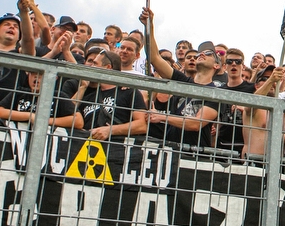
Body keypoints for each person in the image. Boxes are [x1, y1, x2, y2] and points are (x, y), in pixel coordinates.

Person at [138, 10, 220, 149]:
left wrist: (162, 117)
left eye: (208, 53)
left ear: (216, 65)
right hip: (171, 150)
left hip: (194, 155)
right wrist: (149, 27)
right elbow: (155, 58)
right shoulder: (183, 81)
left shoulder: (217, 92)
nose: (201, 55)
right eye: (200, 53)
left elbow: (196, 124)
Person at [72, 50, 147, 140]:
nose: (91, 67)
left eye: (95, 64)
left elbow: (142, 125)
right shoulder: (88, 94)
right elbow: (68, 113)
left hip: (115, 150)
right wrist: (83, 87)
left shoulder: (129, 92)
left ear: (108, 67)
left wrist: (109, 130)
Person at [0, 70, 83, 130]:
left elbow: (78, 121)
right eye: (33, 73)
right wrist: (29, 116)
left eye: (41, 74)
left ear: (53, 78)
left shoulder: (58, 96)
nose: (36, 77)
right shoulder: (19, 92)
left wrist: (43, 121)